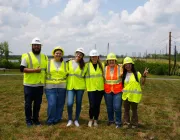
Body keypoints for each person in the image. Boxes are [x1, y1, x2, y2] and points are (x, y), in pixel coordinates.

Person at [20, 37, 48, 126]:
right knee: (28, 104)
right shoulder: (27, 56)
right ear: (32, 46)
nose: (36, 47)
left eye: (38, 45)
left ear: (40, 46)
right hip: (29, 85)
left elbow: (49, 67)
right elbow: (22, 69)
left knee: (37, 104)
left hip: (40, 85)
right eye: (35, 45)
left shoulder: (44, 56)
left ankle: (35, 119)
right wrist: (34, 70)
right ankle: (28, 120)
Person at [122, 57, 148, 128]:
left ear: (132, 65)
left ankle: (134, 123)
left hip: (134, 96)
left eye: (129, 64)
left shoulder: (137, 74)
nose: (128, 66)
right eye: (126, 65)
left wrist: (144, 75)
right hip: (126, 95)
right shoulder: (123, 75)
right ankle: (126, 123)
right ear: (124, 66)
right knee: (126, 110)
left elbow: (142, 83)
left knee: (134, 110)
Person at [45, 46, 67, 125]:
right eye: (57, 53)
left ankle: (57, 118)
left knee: (60, 104)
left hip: (62, 87)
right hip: (50, 87)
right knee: (52, 104)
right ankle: (50, 120)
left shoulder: (65, 64)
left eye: (60, 53)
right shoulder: (48, 63)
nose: (58, 54)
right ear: (53, 54)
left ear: (62, 55)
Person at [66, 48, 87, 127]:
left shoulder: (84, 65)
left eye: (80, 54)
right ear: (75, 54)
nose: (79, 55)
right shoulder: (69, 62)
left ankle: (76, 120)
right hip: (70, 86)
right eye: (77, 53)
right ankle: (70, 119)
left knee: (78, 103)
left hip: (80, 87)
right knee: (69, 103)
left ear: (82, 56)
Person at [85, 49, 104, 127]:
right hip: (91, 88)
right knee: (92, 105)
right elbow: (81, 72)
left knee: (97, 105)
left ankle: (96, 120)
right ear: (90, 57)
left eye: (95, 56)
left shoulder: (102, 65)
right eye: (92, 57)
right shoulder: (87, 65)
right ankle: (90, 119)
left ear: (98, 57)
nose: (94, 58)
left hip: (100, 88)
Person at [104, 53, 123, 128]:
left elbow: (127, 71)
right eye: (110, 60)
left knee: (117, 107)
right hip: (107, 91)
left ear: (115, 60)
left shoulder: (120, 67)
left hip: (118, 91)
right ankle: (111, 120)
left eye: (113, 60)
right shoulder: (104, 68)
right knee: (109, 107)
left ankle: (118, 122)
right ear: (107, 61)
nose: (111, 61)